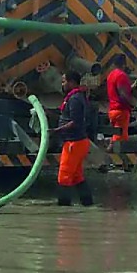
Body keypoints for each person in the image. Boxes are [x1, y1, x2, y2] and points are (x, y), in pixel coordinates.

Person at [50, 71, 94, 207]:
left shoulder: (74, 99)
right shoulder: (75, 97)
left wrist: (57, 131)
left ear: (72, 82)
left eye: (64, 81)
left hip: (74, 143)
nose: (62, 84)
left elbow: (75, 122)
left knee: (64, 177)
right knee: (76, 176)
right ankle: (87, 204)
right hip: (78, 142)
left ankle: (63, 211)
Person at [105, 55, 137, 144]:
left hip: (113, 111)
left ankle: (110, 150)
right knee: (120, 140)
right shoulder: (121, 75)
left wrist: (132, 87)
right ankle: (113, 155)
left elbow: (118, 90)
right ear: (124, 64)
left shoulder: (111, 75)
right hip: (121, 112)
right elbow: (124, 94)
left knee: (116, 135)